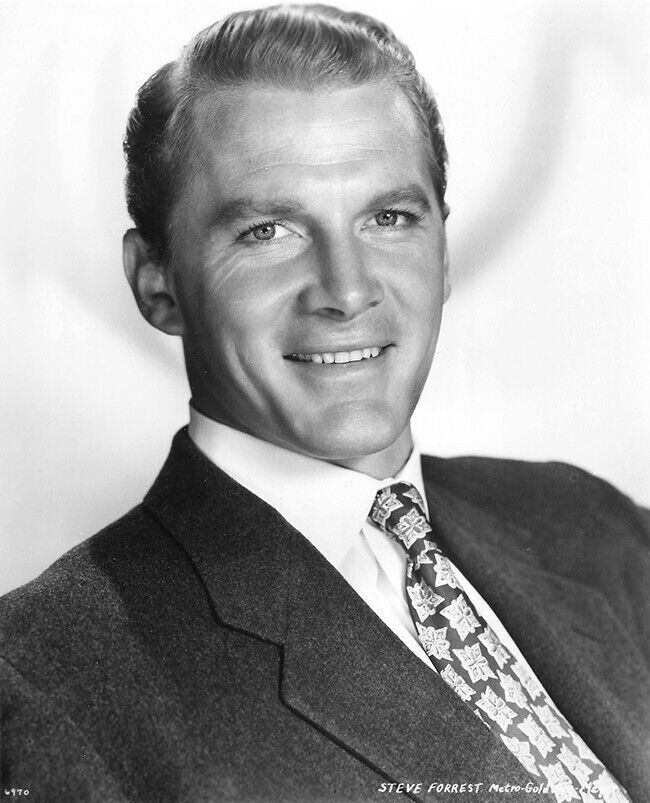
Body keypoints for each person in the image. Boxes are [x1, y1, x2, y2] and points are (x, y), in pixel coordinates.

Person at [1, 5, 648, 802]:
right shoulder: (41, 684)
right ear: (155, 281)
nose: (346, 290)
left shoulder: (594, 526)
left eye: (388, 218)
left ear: (442, 251)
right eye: (268, 230)